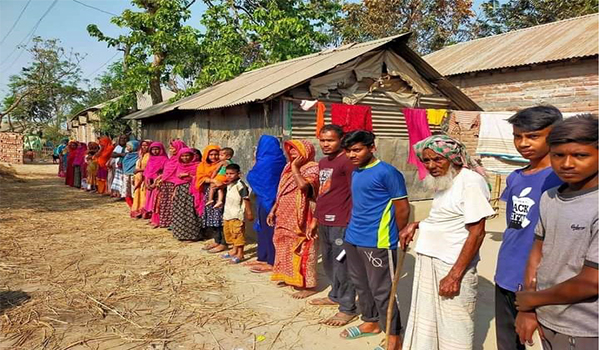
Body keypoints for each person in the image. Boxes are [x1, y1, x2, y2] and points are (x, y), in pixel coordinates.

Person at [400, 135, 495, 350]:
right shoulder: (444, 181)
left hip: (451, 264)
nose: (431, 166)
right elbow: (448, 217)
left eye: (437, 160)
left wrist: (454, 275)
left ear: (454, 159)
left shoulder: (470, 181)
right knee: (428, 318)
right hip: (430, 259)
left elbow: (477, 232)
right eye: (426, 161)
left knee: (455, 325)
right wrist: (417, 225)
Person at [515, 114, 599, 350]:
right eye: (558, 155)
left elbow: (592, 282)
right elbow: (537, 253)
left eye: (580, 155)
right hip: (547, 319)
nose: (567, 164)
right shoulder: (550, 197)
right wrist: (530, 309)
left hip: (585, 329)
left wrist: (530, 300)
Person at [494, 106, 564, 350]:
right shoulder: (515, 176)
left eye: (533, 136)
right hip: (507, 272)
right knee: (508, 341)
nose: (523, 143)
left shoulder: (562, 178)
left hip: (544, 279)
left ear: (554, 135)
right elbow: (514, 226)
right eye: (517, 136)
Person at [338, 131, 409, 350]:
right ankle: (370, 322)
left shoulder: (388, 173)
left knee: (383, 290)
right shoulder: (356, 172)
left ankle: (394, 338)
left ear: (372, 147)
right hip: (353, 237)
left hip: (377, 241)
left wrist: (398, 236)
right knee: (361, 284)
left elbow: (402, 208)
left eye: (357, 150)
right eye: (348, 151)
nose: (352, 155)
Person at [308, 124, 358, 327]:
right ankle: (335, 295)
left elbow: (356, 192)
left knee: (342, 265)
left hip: (342, 222)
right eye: (322, 140)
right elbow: (322, 193)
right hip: (324, 220)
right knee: (329, 262)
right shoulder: (323, 162)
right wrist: (315, 218)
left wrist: (352, 221)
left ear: (341, 140)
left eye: (330, 140)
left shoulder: (347, 162)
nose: (325, 144)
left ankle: (347, 308)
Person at [268, 140, 320, 299]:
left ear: (306, 151)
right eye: (290, 151)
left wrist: (296, 168)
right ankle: (287, 275)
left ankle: (308, 285)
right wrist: (273, 209)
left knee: (304, 248)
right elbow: (281, 191)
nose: (292, 154)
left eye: (296, 150)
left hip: (303, 216)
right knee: (283, 244)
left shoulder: (313, 168)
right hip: (284, 214)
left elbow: (305, 187)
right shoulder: (287, 167)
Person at [245, 135, 287, 273]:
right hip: (269, 199)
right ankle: (262, 257)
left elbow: (253, 177)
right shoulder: (280, 159)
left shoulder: (267, 161)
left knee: (268, 231)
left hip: (268, 200)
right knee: (264, 230)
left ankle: (271, 261)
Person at [196, 145, 228, 252]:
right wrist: (212, 181)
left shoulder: (225, 164)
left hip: (221, 193)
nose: (214, 157)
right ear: (206, 155)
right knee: (212, 217)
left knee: (220, 217)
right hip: (209, 193)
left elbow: (230, 176)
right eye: (211, 154)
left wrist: (221, 183)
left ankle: (223, 242)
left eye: (216, 154)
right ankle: (216, 240)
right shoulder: (202, 165)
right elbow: (200, 178)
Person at [220, 163, 253, 263]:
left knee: (238, 234)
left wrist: (249, 212)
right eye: (227, 173)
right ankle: (234, 250)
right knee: (230, 233)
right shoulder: (229, 185)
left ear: (239, 174)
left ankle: (240, 254)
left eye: (232, 174)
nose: (229, 176)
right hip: (228, 214)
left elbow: (246, 199)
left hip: (236, 215)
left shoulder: (241, 186)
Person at [171, 147, 204, 241]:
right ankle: (181, 234)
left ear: (192, 156)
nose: (185, 158)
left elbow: (200, 178)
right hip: (181, 191)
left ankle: (193, 235)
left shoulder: (198, 165)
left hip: (192, 191)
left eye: (187, 155)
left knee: (191, 211)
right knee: (180, 212)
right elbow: (177, 181)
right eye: (183, 156)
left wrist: (189, 175)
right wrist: (175, 192)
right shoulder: (179, 165)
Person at [158, 139, 187, 228]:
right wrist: (161, 178)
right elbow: (167, 171)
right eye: (170, 148)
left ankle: (174, 223)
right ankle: (166, 222)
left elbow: (178, 173)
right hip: (166, 184)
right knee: (165, 203)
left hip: (174, 184)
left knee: (174, 204)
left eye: (173, 148)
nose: (170, 150)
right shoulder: (171, 159)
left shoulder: (181, 160)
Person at [143, 142, 168, 227]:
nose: (155, 151)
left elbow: (165, 172)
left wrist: (155, 183)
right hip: (150, 183)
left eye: (157, 149)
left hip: (158, 183)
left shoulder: (164, 159)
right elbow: (147, 171)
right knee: (150, 201)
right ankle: (152, 219)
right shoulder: (151, 159)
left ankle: (157, 221)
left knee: (156, 202)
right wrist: (146, 182)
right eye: (153, 149)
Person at [131, 140, 152, 218]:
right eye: (142, 145)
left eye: (146, 145)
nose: (144, 147)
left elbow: (151, 168)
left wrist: (139, 170)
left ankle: (145, 212)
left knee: (144, 194)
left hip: (146, 178)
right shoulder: (141, 155)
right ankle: (138, 210)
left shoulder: (150, 155)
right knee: (138, 194)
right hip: (139, 178)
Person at [122, 141, 140, 208]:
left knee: (134, 192)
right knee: (127, 192)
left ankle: (135, 206)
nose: (127, 148)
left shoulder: (138, 156)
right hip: (126, 175)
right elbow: (124, 164)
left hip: (134, 175)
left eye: (129, 146)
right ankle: (131, 206)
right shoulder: (127, 155)